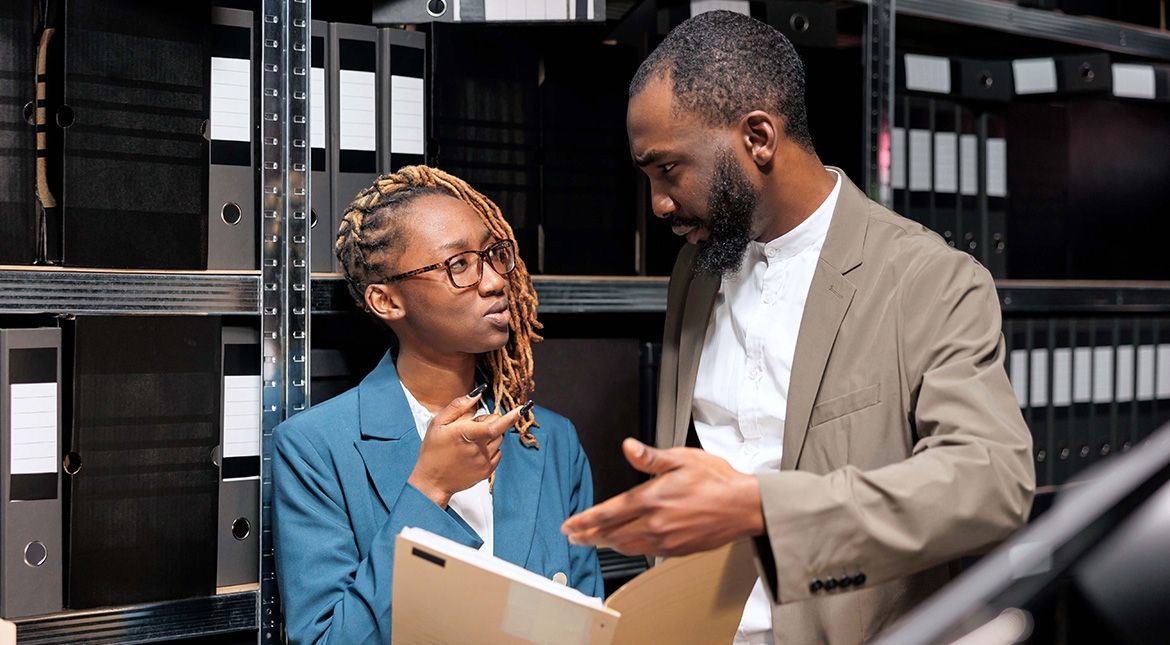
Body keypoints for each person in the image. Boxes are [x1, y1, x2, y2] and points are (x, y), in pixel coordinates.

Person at [562, 11, 1034, 645]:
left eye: (669, 170)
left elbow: (991, 481)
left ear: (759, 136)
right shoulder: (696, 271)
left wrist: (760, 507)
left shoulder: (928, 279)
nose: (659, 205)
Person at [273, 166, 602, 644]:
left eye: (493, 255)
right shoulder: (315, 448)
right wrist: (428, 490)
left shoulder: (552, 441)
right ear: (387, 301)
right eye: (459, 265)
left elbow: (586, 628)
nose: (493, 282)